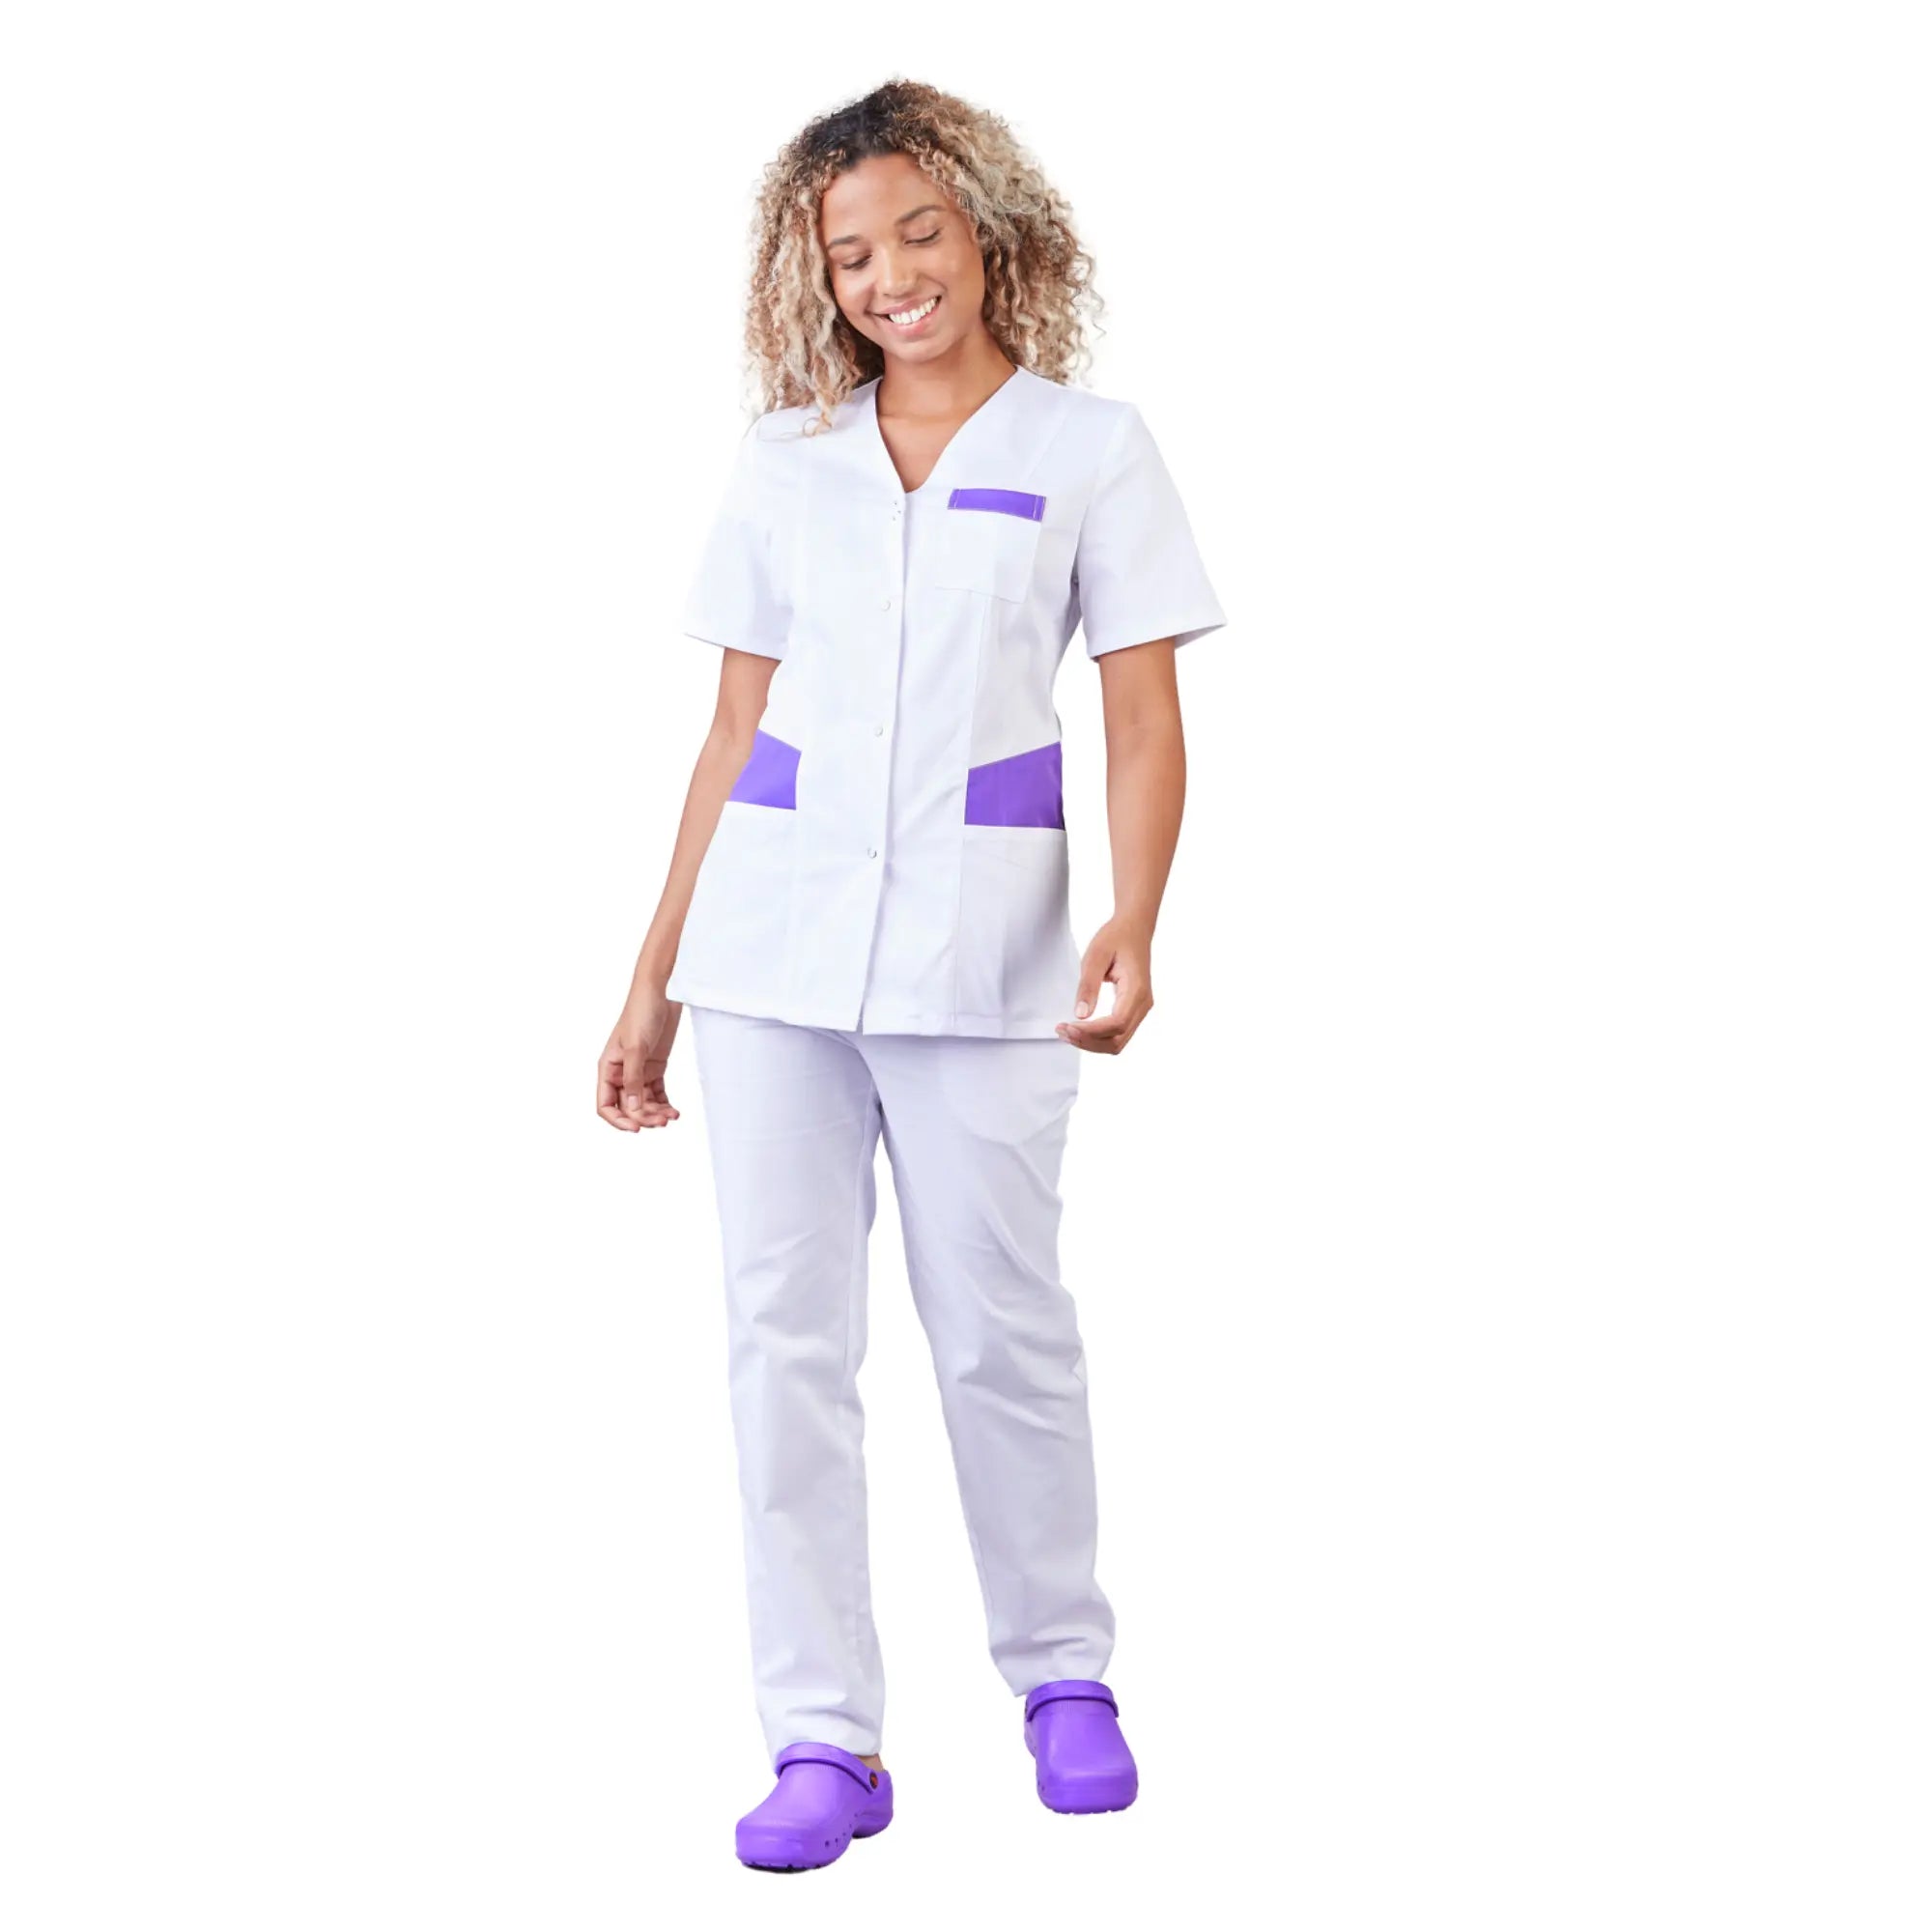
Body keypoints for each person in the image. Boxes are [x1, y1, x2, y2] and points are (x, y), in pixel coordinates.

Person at [596, 78, 1226, 1872]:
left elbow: (1141, 712)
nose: (891, 276)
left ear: (990, 231)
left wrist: (1141, 913)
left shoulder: (1091, 447)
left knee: (1004, 1328)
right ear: (817, 279)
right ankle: (824, 1738)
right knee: (782, 1345)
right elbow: (731, 733)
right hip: (768, 963)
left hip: (987, 958)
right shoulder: (785, 458)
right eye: (852, 254)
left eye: (919, 233)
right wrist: (651, 981)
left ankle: (1062, 1677)